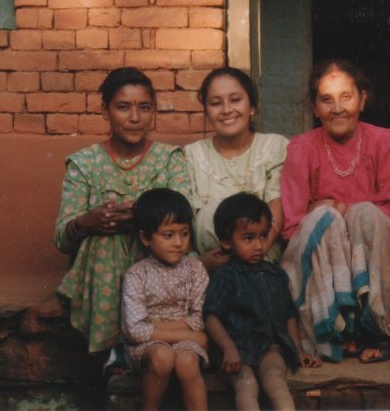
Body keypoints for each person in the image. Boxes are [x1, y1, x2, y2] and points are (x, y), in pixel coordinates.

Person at [54, 67, 192, 370]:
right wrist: (87, 223)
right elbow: (62, 239)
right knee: (104, 239)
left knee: (163, 234)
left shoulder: (170, 159)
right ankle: (114, 345)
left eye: (144, 108)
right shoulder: (84, 164)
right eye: (123, 107)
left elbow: (184, 216)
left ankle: (141, 341)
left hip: (161, 269)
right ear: (105, 110)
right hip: (101, 268)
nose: (134, 117)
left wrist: (143, 216)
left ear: (153, 111)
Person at [280, 59, 390, 363]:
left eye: (346, 97)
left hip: (370, 237)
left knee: (363, 214)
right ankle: (338, 330)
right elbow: (291, 226)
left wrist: (345, 211)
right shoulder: (301, 149)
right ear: (314, 108)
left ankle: (378, 328)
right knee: (325, 220)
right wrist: (331, 219)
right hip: (324, 251)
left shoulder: (384, 141)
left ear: (362, 100)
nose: (337, 108)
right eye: (326, 100)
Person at [204, 193, 321, 411]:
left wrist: (297, 349)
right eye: (248, 238)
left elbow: (288, 315)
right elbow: (211, 317)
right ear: (226, 241)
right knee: (246, 385)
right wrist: (228, 347)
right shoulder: (226, 276)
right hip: (234, 348)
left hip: (269, 346)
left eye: (263, 236)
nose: (258, 245)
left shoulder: (275, 274)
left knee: (275, 381)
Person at [185, 67, 288, 272]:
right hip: (215, 265)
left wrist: (258, 250)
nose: (226, 110)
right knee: (208, 214)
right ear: (206, 111)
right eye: (216, 103)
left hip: (265, 259)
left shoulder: (275, 147)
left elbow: (277, 204)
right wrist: (201, 263)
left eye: (235, 100)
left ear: (252, 106)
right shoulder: (192, 155)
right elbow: (187, 219)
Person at [121, 188, 209, 411]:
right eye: (168, 235)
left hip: (185, 344)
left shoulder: (195, 269)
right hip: (148, 348)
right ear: (145, 238)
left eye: (185, 233)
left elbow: (200, 318)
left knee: (187, 361)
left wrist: (156, 325)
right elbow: (134, 331)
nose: (179, 243)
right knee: (163, 355)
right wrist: (187, 333)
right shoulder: (137, 274)